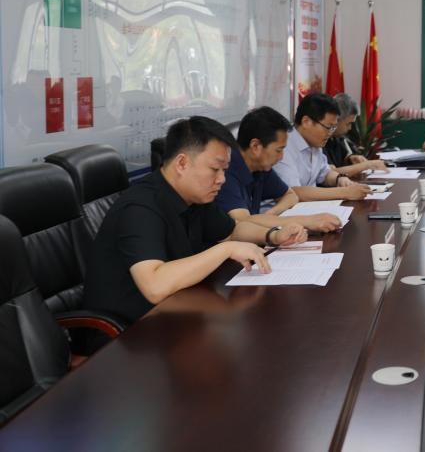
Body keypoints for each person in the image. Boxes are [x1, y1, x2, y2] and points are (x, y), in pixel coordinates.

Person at [84, 116, 307, 324]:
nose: (221, 179)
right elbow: (154, 286)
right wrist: (226, 250)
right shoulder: (140, 208)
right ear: (181, 163)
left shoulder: (195, 197)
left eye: (225, 170)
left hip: (177, 312)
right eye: (215, 169)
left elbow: (233, 231)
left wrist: (274, 235)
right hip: (127, 333)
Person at [215, 106, 341, 233]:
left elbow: (291, 195)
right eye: (278, 150)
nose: (281, 157)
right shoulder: (226, 171)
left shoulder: (260, 166)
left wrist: (271, 214)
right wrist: (307, 221)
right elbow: (243, 222)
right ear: (255, 146)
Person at [273, 93, 371, 202]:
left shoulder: (315, 143)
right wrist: (345, 192)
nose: (330, 133)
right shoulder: (283, 146)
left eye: (333, 127)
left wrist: (340, 179)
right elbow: (293, 192)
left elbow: (324, 173)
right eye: (328, 127)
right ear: (306, 122)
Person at [323, 92, 388, 177]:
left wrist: (351, 159)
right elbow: (330, 174)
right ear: (337, 119)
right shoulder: (320, 139)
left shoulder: (337, 138)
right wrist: (366, 165)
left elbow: (343, 159)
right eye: (348, 123)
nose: (350, 128)